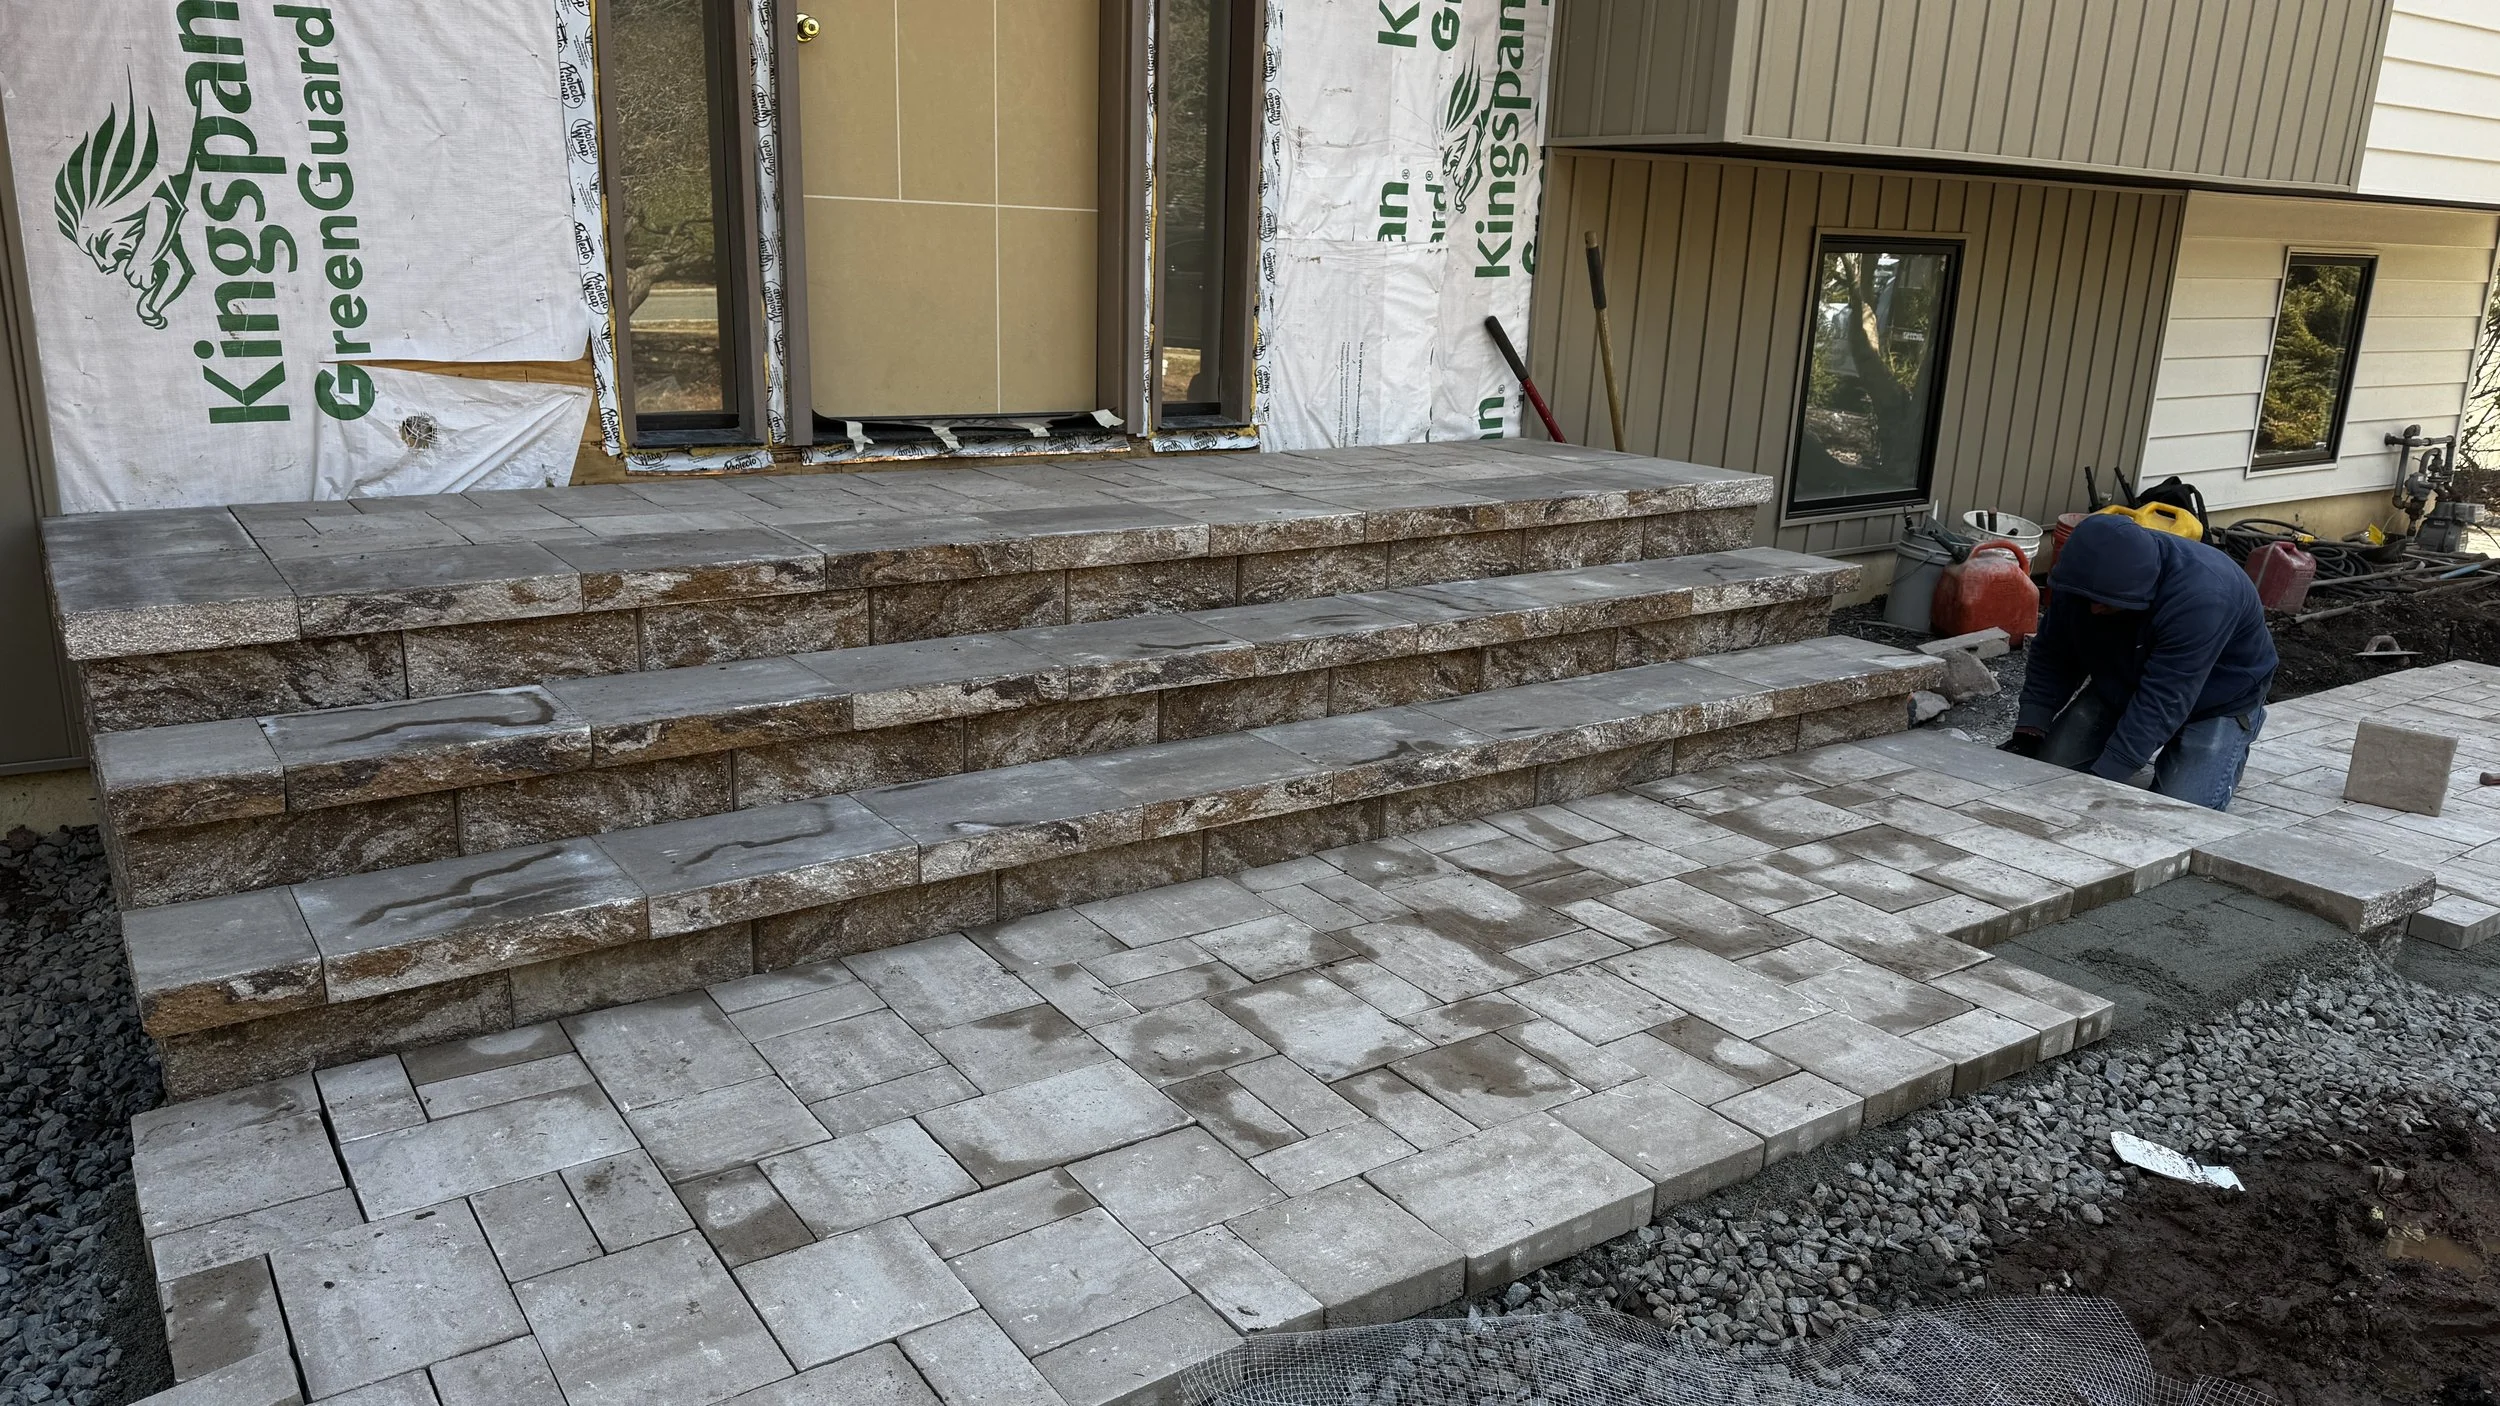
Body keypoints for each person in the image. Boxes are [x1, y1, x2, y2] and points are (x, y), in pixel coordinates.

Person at [2000, 512, 2277, 810]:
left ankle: (2233, 737)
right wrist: (2030, 730)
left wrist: (2105, 779)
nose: (2093, 610)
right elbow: (2054, 653)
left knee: (2180, 812)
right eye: (2089, 600)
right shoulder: (2081, 579)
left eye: (2105, 603)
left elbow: (2164, 699)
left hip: (2219, 697)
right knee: (2050, 773)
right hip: (2125, 680)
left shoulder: (2202, 597)